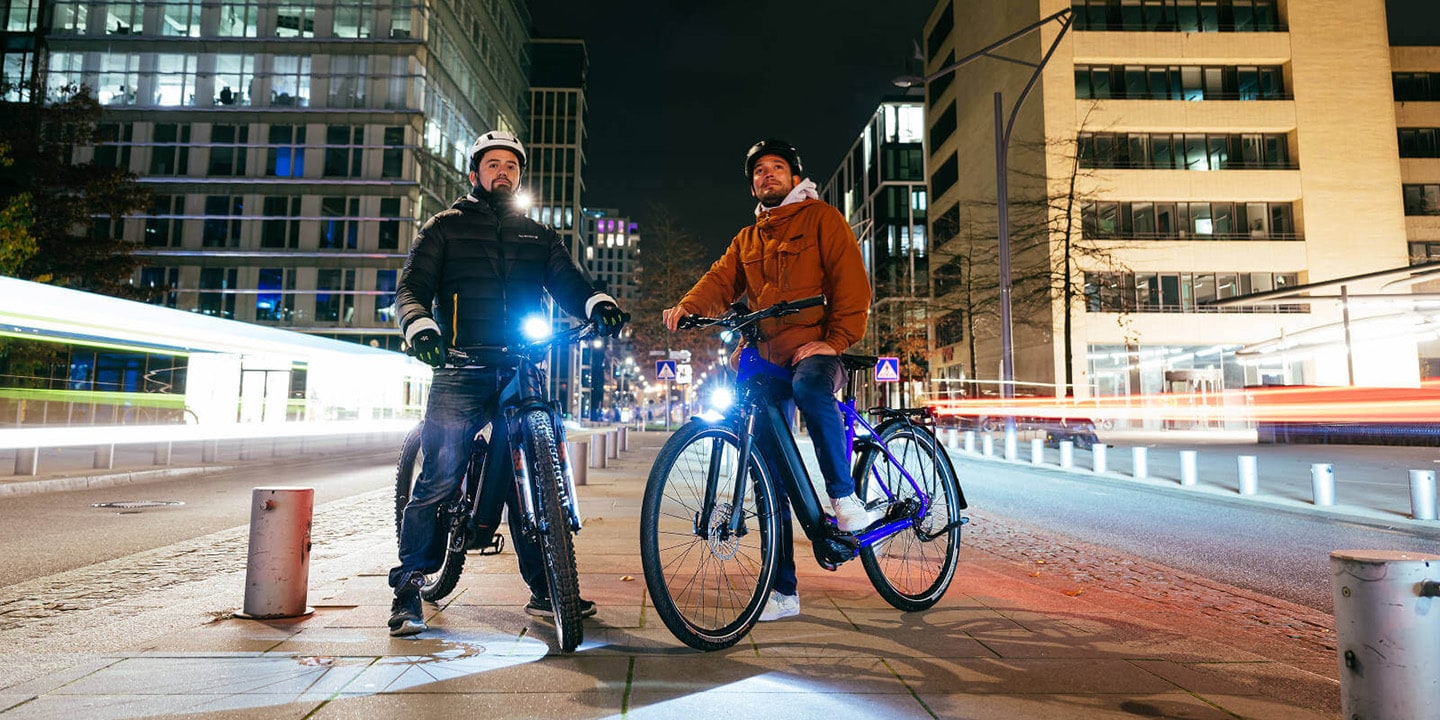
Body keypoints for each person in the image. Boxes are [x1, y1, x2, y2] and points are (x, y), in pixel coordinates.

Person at [389, 130, 628, 636]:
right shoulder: (444, 228)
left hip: (522, 365)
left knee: (536, 484)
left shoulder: (537, 235)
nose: (504, 172)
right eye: (493, 164)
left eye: (512, 166)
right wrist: (420, 326)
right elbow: (411, 288)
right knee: (438, 479)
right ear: (475, 174)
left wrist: (595, 303)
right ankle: (408, 587)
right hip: (460, 364)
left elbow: (569, 281)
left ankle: (548, 588)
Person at [661, 139, 874, 623]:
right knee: (767, 473)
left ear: (795, 177)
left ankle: (843, 497)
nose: (767, 175)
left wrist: (835, 339)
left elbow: (851, 283)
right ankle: (783, 591)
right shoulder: (748, 238)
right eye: (759, 170)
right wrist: (688, 308)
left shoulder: (823, 219)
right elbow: (720, 280)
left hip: (815, 350)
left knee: (810, 388)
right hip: (765, 357)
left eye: (777, 168)